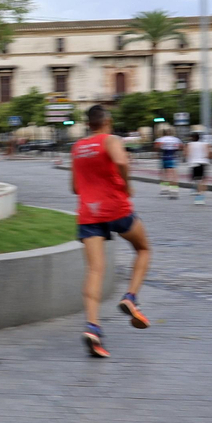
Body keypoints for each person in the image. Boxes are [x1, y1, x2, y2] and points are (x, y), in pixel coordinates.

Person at [70, 105, 154, 359]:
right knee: (143, 249)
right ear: (107, 121)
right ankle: (130, 297)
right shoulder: (111, 140)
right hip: (116, 208)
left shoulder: (76, 148)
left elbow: (75, 187)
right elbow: (120, 161)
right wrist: (127, 185)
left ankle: (93, 327)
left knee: (95, 269)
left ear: (88, 123)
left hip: (88, 213)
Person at [154, 130, 183, 197]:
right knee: (174, 174)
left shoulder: (160, 139)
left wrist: (159, 152)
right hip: (173, 157)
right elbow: (181, 146)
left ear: (163, 134)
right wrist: (175, 149)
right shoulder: (176, 139)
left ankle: (164, 189)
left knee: (164, 174)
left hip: (164, 157)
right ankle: (174, 190)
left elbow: (157, 147)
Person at [186, 131, 211, 204]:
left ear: (192, 138)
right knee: (203, 180)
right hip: (204, 162)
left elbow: (187, 153)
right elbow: (209, 153)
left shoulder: (189, 144)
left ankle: (199, 198)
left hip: (194, 163)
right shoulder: (204, 144)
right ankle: (201, 196)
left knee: (197, 181)